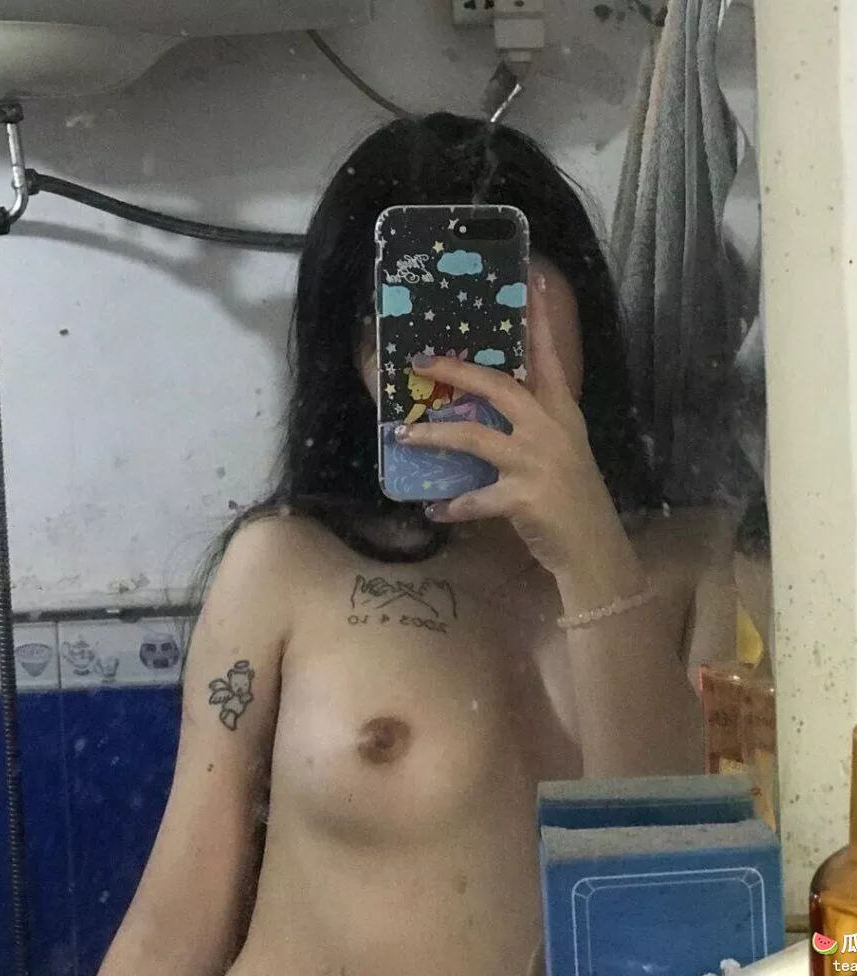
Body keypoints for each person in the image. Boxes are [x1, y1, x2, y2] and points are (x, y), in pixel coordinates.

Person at [100, 112, 729, 976]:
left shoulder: (702, 568)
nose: (458, 353)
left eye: (497, 303)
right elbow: (173, 929)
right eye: (405, 318)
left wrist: (589, 550)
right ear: (360, 357)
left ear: (579, 303)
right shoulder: (284, 567)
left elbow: (672, 909)